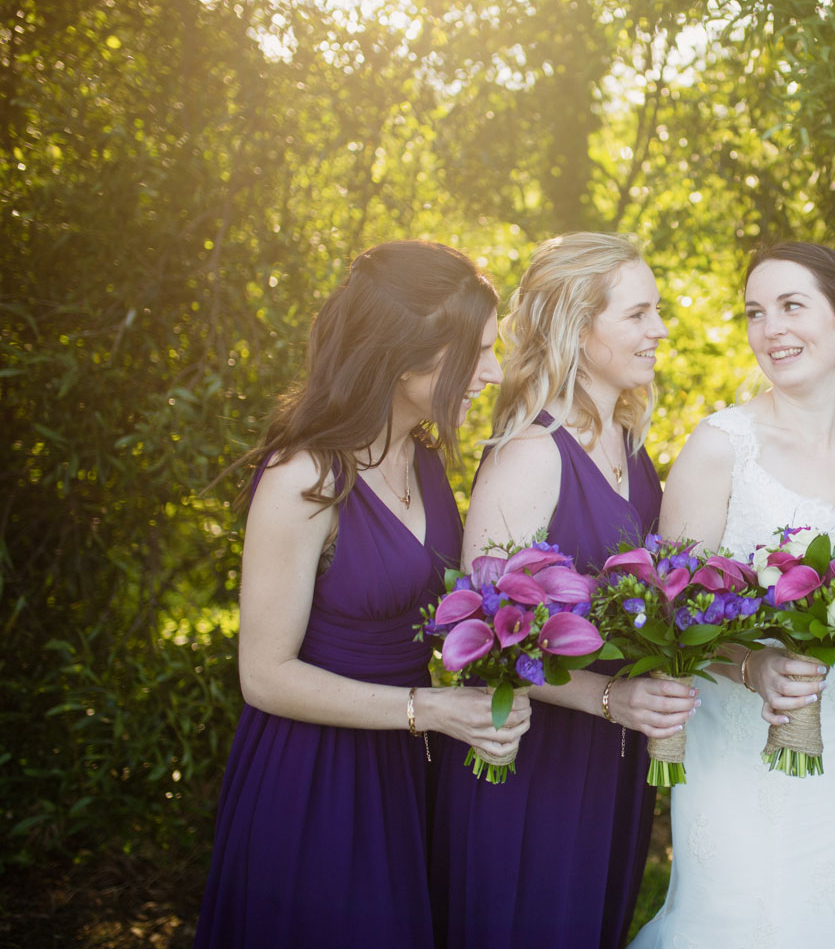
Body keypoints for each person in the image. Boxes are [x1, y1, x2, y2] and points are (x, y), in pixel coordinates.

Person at [195, 241, 528, 949]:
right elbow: (263, 675)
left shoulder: (425, 458)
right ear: (404, 356)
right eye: (476, 353)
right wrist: (429, 709)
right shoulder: (304, 479)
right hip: (314, 779)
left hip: (404, 770)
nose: (492, 373)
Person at [630, 241, 835, 949]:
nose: (771, 330)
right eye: (756, 313)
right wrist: (753, 666)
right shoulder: (719, 446)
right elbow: (678, 619)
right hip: (739, 741)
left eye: (793, 306)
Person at [428, 232, 696, 949]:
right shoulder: (530, 455)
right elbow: (476, 646)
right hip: (531, 768)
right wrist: (610, 699)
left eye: (658, 311)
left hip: (608, 765)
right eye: (638, 314)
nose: (659, 330)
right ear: (579, 328)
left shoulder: (630, 445)